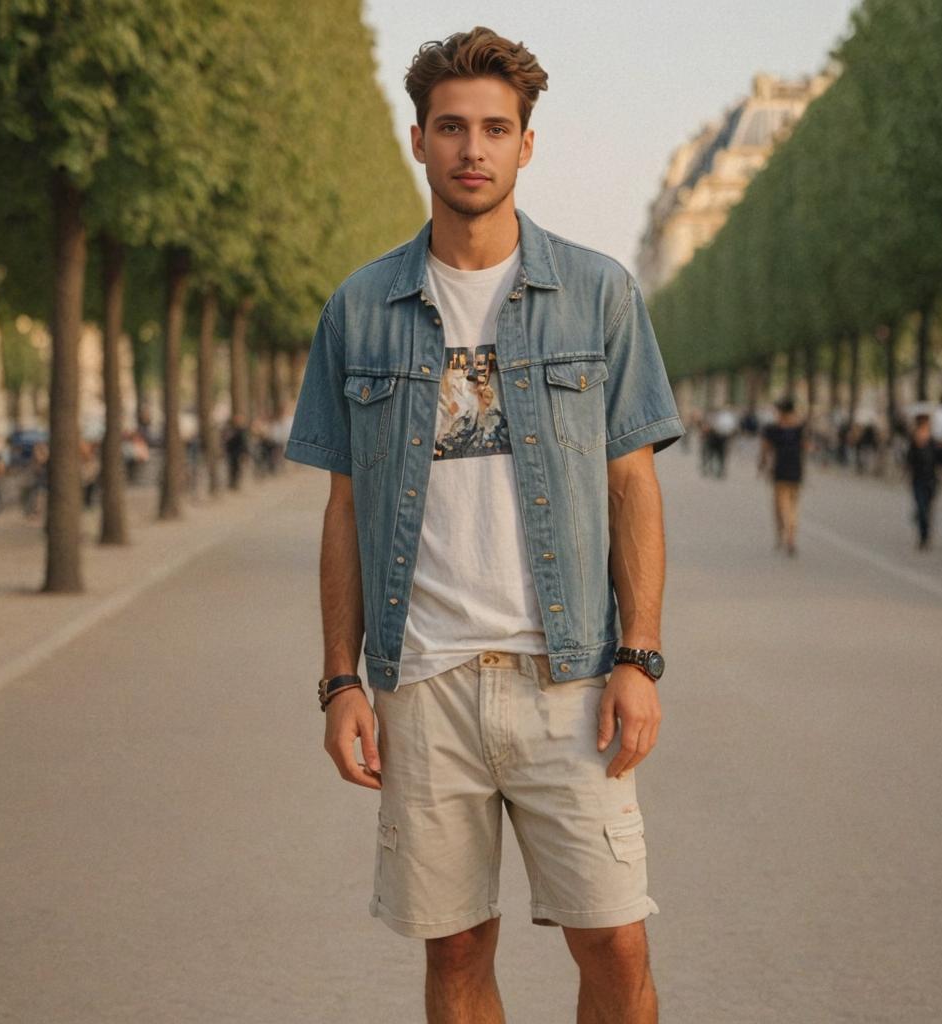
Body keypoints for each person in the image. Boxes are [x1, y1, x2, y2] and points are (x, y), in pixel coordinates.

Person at [284, 28, 683, 1023]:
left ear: (525, 146)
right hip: (423, 682)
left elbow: (633, 484)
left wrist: (640, 653)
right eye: (453, 127)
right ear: (418, 139)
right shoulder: (360, 307)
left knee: (615, 943)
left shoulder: (598, 293)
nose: (474, 148)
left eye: (495, 129)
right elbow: (342, 510)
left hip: (570, 675)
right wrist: (342, 679)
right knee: (456, 947)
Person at [759, 397, 806, 556]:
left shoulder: (772, 428)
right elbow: (806, 447)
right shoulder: (800, 427)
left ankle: (783, 534)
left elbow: (765, 449)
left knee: (780, 506)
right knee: (793, 505)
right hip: (796, 469)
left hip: (780, 469)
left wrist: (762, 465)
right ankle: (790, 537)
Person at [906, 411, 942, 550]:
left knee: (927, 509)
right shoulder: (913, 442)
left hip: (931, 480)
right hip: (918, 480)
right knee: (921, 508)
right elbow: (909, 460)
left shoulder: (934, 441)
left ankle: (925, 533)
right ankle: (923, 536)